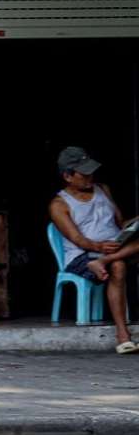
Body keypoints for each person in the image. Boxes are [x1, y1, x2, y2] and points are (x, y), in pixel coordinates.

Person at [49, 146, 139, 354]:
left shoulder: (103, 189)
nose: (90, 176)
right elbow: (77, 239)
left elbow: (120, 222)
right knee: (118, 265)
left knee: (116, 260)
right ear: (67, 176)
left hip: (114, 247)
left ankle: (104, 261)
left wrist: (133, 224)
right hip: (83, 255)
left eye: (91, 171)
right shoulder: (59, 204)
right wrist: (99, 247)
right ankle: (123, 336)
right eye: (84, 173)